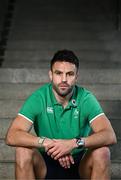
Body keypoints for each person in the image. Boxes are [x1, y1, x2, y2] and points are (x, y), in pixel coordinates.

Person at [5, 49, 117, 180]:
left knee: (103, 152)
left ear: (76, 77)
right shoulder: (39, 97)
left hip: (79, 164)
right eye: (58, 73)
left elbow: (110, 135)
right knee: (22, 152)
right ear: (51, 75)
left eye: (69, 74)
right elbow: (11, 136)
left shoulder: (86, 98)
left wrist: (73, 144)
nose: (64, 79)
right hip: (46, 164)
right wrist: (47, 143)